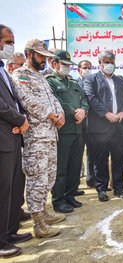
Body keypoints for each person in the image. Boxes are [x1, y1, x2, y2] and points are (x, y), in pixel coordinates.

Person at [12, 38, 65, 238]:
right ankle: (38, 224)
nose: (44, 60)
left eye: (46, 57)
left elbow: (54, 100)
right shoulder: (20, 75)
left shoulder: (42, 77)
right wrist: (50, 115)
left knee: (49, 177)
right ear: (29, 54)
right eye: (41, 56)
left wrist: (60, 115)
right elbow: (28, 101)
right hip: (36, 138)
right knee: (37, 179)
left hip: (50, 136)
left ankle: (43, 212)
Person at [0, 24, 31, 258]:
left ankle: (9, 231)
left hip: (12, 136)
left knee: (11, 188)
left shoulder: (3, 69)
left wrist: (21, 120)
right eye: (7, 41)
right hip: (4, 136)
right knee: (2, 190)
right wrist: (20, 119)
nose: (10, 45)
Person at [84, 50, 123, 202]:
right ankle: (102, 189)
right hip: (100, 128)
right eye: (106, 62)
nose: (109, 65)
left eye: (112, 62)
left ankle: (118, 187)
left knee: (118, 158)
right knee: (101, 159)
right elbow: (92, 98)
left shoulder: (120, 80)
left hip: (118, 125)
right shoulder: (91, 79)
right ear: (100, 63)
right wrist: (106, 114)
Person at [46, 50, 89, 213]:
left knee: (74, 165)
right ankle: (58, 199)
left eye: (69, 65)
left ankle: (70, 195)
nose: (67, 68)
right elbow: (57, 101)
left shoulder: (73, 83)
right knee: (61, 166)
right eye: (64, 65)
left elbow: (84, 100)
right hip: (63, 130)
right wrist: (74, 112)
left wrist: (83, 110)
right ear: (55, 64)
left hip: (78, 130)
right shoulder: (50, 82)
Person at [77, 60, 95, 188]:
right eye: (84, 68)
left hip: (92, 123)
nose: (87, 70)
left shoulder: (94, 83)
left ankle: (91, 179)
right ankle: (75, 181)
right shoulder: (74, 83)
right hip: (78, 123)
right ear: (79, 70)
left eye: (89, 68)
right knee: (77, 152)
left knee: (92, 152)